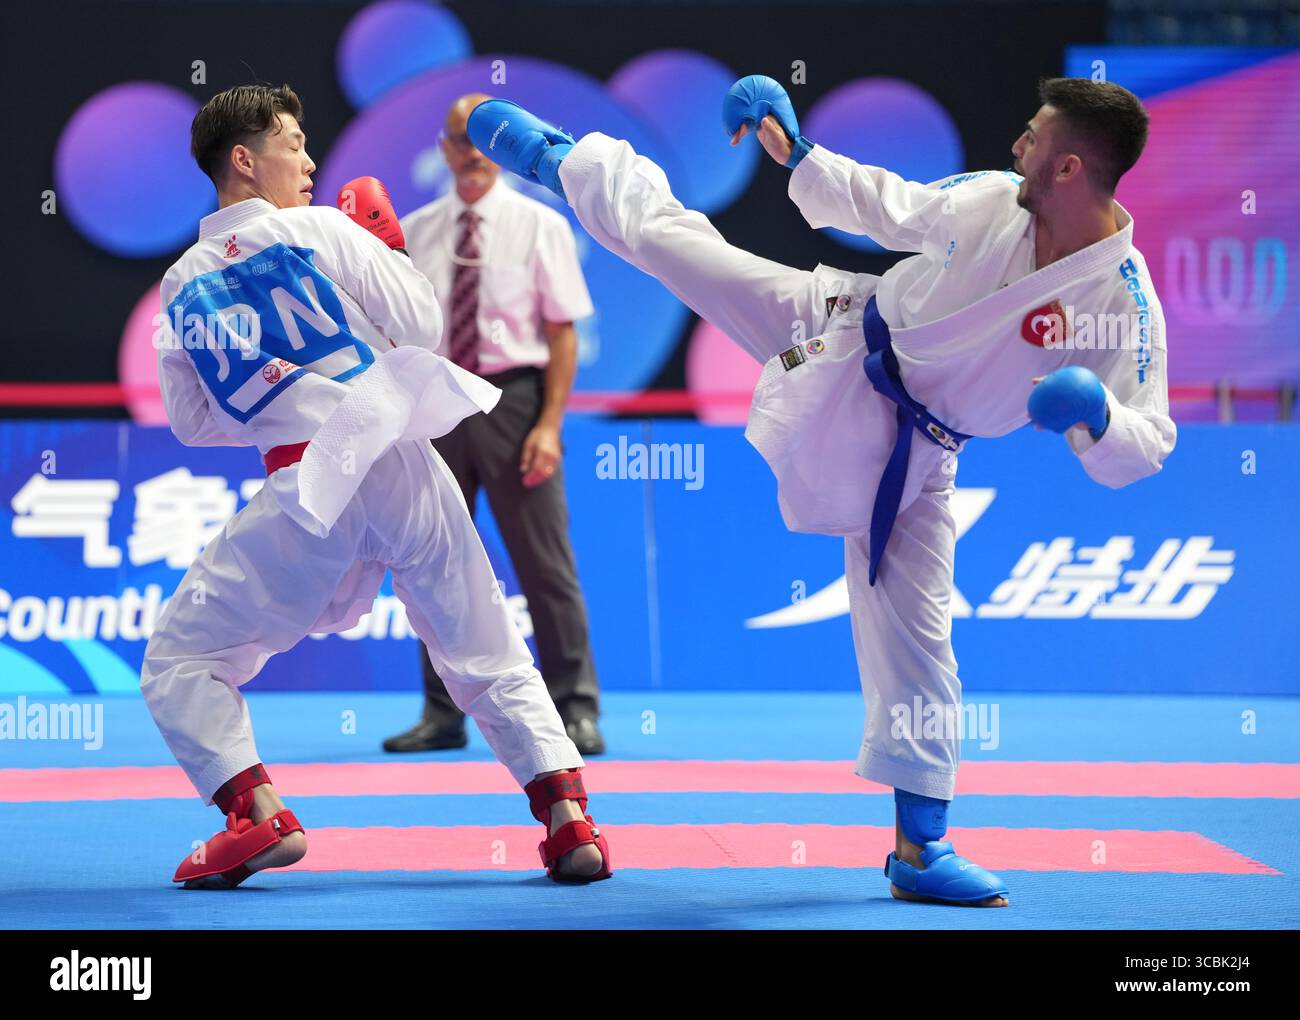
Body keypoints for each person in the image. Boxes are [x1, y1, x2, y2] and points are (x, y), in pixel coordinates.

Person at [465, 74, 1175, 906]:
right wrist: (796, 153)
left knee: (920, 638)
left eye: (1035, 134)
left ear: (1069, 167)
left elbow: (1147, 443)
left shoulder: (1122, 304)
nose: (1018, 144)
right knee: (684, 250)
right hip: (838, 324)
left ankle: (922, 846)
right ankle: (565, 159)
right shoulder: (991, 199)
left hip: (917, 454)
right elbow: (890, 205)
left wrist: (1097, 418)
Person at [140, 83, 612, 888]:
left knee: (182, 660)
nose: (310, 158)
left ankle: (256, 814)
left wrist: (276, 407)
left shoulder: (180, 287)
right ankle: (568, 820)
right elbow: (423, 328)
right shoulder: (322, 228)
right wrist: (388, 250)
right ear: (245, 161)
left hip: (304, 485)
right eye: (293, 141)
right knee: (484, 646)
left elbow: (192, 422)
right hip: (397, 459)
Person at [383, 93, 605, 756]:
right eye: (460, 140)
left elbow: (562, 335)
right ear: (445, 150)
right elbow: (398, 333)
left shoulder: (542, 225)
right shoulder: (415, 230)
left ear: (500, 150)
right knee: (432, 564)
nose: (474, 154)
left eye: (486, 141)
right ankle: (441, 714)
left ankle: (577, 708)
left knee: (545, 564)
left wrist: (548, 425)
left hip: (514, 399)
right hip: (436, 396)